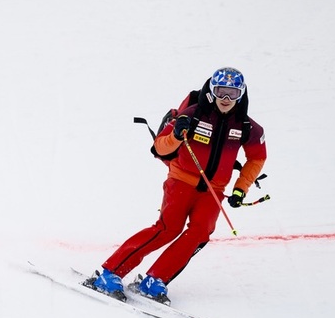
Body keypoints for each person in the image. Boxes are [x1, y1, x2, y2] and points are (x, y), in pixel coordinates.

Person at [88, 67, 266, 304]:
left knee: (200, 233)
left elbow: (257, 157)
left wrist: (240, 188)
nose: (226, 99)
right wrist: (176, 136)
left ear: (241, 94)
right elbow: (160, 147)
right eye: (221, 91)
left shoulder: (247, 127)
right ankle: (109, 273)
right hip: (182, 181)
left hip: (214, 191)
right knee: (167, 229)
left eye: (232, 94)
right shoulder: (192, 115)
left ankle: (154, 280)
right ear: (212, 91)